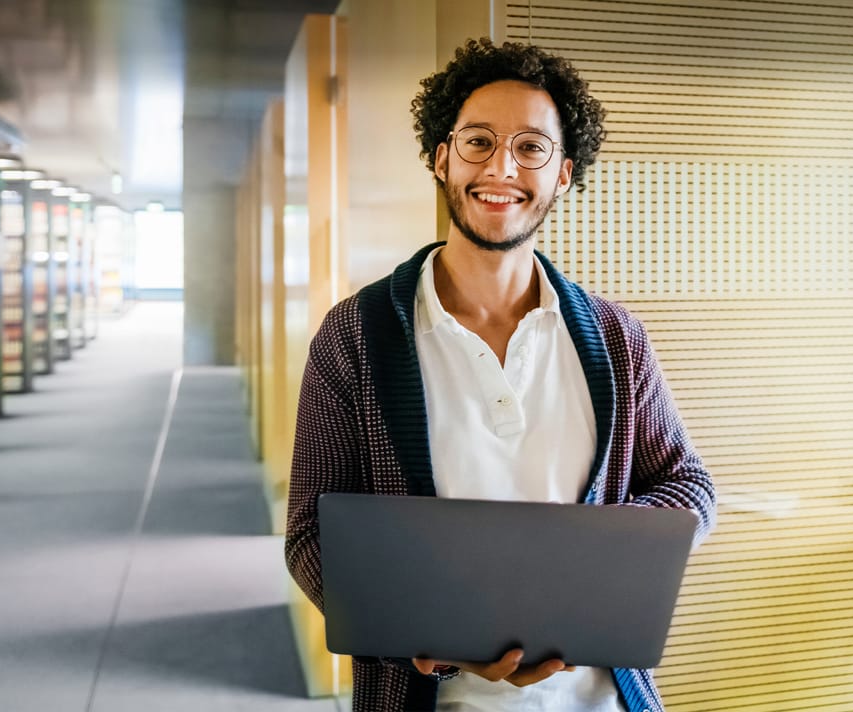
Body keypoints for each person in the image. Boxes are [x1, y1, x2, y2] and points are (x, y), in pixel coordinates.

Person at [283, 38, 717, 712]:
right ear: (441, 157)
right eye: (478, 142)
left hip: (601, 699)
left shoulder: (615, 339)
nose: (501, 167)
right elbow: (312, 533)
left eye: (531, 147)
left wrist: (593, 573)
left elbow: (688, 485)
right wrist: (414, 633)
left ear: (564, 173)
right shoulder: (356, 337)